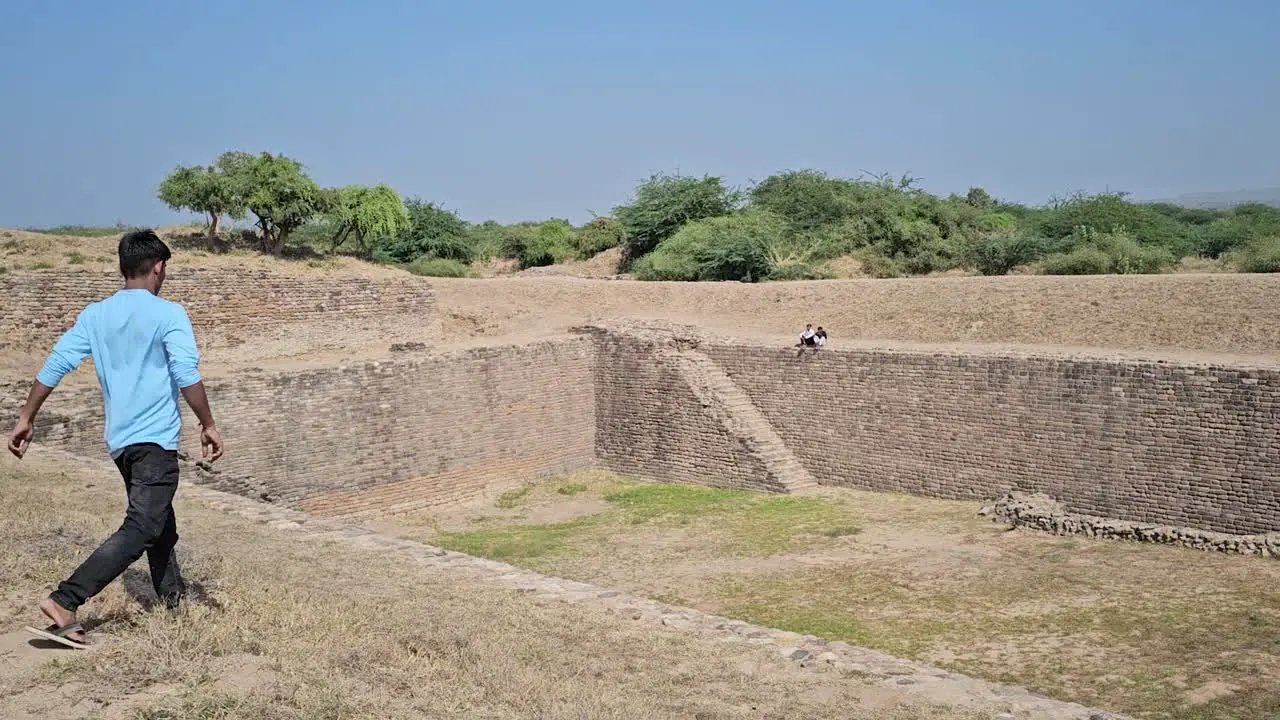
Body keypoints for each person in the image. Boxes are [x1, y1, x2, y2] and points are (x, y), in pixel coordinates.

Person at [7, 229, 224, 649]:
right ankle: (65, 600)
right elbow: (185, 372)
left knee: (159, 527)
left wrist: (25, 416)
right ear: (158, 267)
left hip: (121, 444)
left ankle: (173, 603)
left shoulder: (96, 315)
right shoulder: (169, 313)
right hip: (155, 443)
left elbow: (56, 363)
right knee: (143, 526)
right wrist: (208, 423)